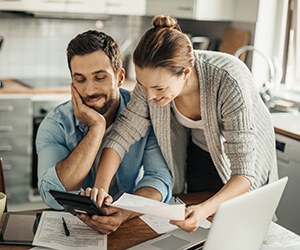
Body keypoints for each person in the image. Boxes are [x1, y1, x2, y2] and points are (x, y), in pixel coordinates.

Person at [90, 15, 279, 233]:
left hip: (243, 164)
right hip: (200, 154)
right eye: (143, 85)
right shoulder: (151, 85)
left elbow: (244, 173)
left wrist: (203, 209)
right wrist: (101, 188)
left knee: (241, 228)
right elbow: (122, 135)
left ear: (186, 73)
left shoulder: (229, 80)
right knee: (202, 232)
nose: (149, 96)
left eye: (159, 89)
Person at [36, 30, 173, 234]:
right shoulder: (56, 124)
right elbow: (51, 194)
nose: (90, 90)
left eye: (99, 77)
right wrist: (96, 128)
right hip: (76, 228)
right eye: (80, 80)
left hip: (129, 221)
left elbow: (158, 179)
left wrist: (124, 212)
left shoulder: (144, 115)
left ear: (119, 78)